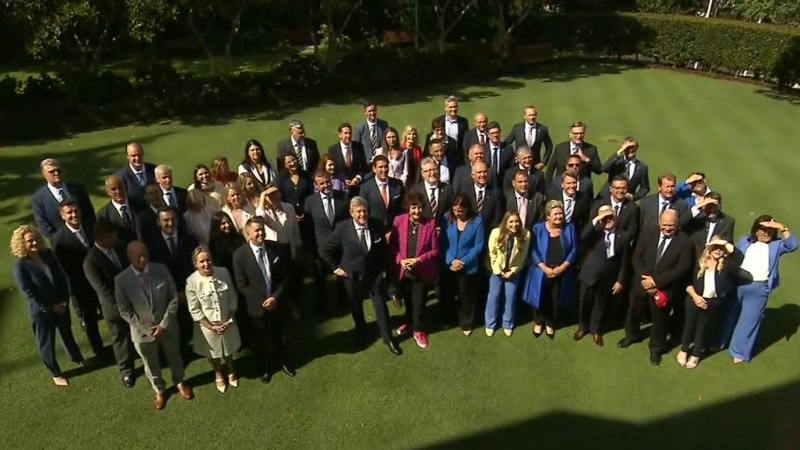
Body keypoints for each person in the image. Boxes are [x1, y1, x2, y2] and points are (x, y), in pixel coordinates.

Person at [115, 241, 193, 410]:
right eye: (138, 257)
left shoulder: (161, 269)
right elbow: (124, 310)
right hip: (142, 333)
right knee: (150, 364)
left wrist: (163, 325)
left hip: (168, 326)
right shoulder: (121, 280)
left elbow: (173, 298)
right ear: (129, 258)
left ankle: (180, 382)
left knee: (175, 357)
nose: (143, 259)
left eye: (144, 254)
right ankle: (159, 389)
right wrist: (146, 329)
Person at [320, 197, 403, 355]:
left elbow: (384, 250)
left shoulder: (376, 224)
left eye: (364, 211)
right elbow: (324, 249)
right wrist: (335, 268)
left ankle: (388, 338)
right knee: (356, 307)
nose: (362, 214)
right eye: (358, 211)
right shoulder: (342, 228)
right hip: (352, 276)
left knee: (380, 306)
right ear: (352, 213)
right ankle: (361, 333)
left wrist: (385, 270)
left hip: (374, 274)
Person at [11, 225, 84, 386]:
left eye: (36, 239)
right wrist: (50, 307)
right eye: (30, 241)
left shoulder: (48, 255)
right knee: (46, 342)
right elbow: (28, 293)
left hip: (61, 303)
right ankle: (55, 373)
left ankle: (76, 357)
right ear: (21, 243)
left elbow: (61, 276)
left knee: (67, 333)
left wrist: (65, 299)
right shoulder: (20, 266)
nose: (35, 243)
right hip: (41, 311)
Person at [618, 209, 694, 366]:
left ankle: (656, 348)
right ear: (659, 222)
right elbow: (636, 257)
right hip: (641, 284)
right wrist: (646, 280)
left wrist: (656, 282)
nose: (667, 228)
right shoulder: (647, 233)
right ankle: (632, 335)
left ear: (677, 224)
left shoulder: (685, 242)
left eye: (671, 225)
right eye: (665, 224)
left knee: (660, 320)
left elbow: (682, 268)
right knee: (634, 312)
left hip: (664, 290)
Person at [232, 217, 296, 382]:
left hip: (277, 303)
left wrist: (275, 297)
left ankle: (284, 361)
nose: (261, 233)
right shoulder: (239, 255)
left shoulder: (275, 248)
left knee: (279, 334)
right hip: (257, 307)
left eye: (262, 229)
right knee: (261, 339)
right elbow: (241, 284)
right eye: (257, 230)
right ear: (248, 234)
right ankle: (266, 367)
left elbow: (285, 276)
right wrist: (262, 300)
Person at [727, 216, 796, 363]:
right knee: (729, 314)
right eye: (763, 229)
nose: (767, 233)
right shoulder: (744, 241)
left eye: (770, 230)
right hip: (738, 284)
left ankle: (738, 352)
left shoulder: (777, 245)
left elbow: (793, 245)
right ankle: (720, 341)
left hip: (758, 289)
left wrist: (781, 227)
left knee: (748, 321)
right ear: (756, 230)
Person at [83, 219, 136, 388]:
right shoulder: (90, 262)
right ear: (102, 238)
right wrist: (123, 304)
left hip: (135, 300)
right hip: (115, 308)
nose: (116, 238)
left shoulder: (119, 247)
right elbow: (104, 290)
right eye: (113, 236)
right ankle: (126, 370)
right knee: (120, 338)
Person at [51, 200, 105, 356]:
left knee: (110, 313)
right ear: (62, 216)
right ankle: (99, 351)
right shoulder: (58, 239)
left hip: (101, 280)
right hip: (81, 286)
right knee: (90, 321)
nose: (73, 215)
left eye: (76, 211)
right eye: (69, 213)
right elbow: (67, 268)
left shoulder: (91, 228)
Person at [186, 246, 241, 393]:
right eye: (202, 261)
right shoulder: (191, 281)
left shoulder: (223, 272)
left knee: (228, 349)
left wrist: (230, 317)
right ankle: (218, 372)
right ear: (195, 264)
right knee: (213, 353)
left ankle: (231, 370)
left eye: (208, 259)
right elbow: (194, 309)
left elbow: (232, 296)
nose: (206, 264)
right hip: (207, 326)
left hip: (227, 321)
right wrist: (210, 326)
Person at [679, 237, 740, 369]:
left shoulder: (727, 265)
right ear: (709, 249)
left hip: (712, 303)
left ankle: (696, 354)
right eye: (715, 247)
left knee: (702, 329)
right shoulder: (699, 262)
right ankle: (684, 350)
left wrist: (723, 293)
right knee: (689, 326)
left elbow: (738, 266)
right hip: (694, 300)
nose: (718, 250)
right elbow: (687, 282)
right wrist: (695, 297)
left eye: (721, 248)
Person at [520, 200, 577, 339]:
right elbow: (532, 250)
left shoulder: (569, 228)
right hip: (541, 271)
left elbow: (574, 250)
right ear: (548, 216)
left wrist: (562, 267)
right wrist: (544, 268)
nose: (559, 217)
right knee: (539, 297)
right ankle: (538, 322)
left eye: (560, 214)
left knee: (554, 299)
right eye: (555, 214)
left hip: (560, 272)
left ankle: (550, 323)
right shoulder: (537, 228)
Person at [575, 206, 631, 347]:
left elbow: (625, 261)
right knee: (584, 303)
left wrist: (620, 280)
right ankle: (582, 327)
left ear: (615, 218)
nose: (608, 220)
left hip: (607, 279)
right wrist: (596, 220)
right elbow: (582, 237)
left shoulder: (623, 237)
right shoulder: (594, 233)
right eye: (604, 218)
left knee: (600, 305)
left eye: (610, 217)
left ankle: (596, 330)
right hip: (589, 275)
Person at [390, 192, 439, 349]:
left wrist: (419, 260)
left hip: (421, 270)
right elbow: (392, 246)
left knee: (418, 303)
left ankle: (418, 330)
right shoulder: (398, 221)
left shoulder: (430, 224)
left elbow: (435, 250)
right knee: (408, 301)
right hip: (404, 270)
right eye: (413, 208)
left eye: (419, 208)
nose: (417, 211)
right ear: (407, 208)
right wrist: (401, 260)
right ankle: (409, 322)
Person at [440, 194, 485, 336]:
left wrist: (463, 262)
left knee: (466, 296)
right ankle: (448, 319)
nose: (456, 213)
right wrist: (451, 260)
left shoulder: (477, 221)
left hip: (468, 266)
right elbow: (443, 242)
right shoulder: (447, 218)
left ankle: (466, 322)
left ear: (467, 209)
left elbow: (478, 245)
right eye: (455, 210)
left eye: (460, 211)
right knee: (449, 293)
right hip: (450, 264)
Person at [485, 211, 530, 337]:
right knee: (494, 295)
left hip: (513, 271)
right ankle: (490, 323)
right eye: (511, 221)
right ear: (505, 223)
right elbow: (492, 253)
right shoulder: (496, 233)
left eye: (516, 221)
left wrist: (513, 271)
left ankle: (507, 323)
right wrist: (498, 271)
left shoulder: (526, 234)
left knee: (510, 296)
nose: (514, 224)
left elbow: (523, 255)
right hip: (497, 270)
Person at [31, 158, 95, 238]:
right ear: (44, 174)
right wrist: (60, 240)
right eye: (52, 171)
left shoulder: (78, 189)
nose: (56, 173)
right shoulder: (38, 199)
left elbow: (89, 213)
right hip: (62, 244)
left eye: (59, 170)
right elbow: (43, 225)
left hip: (87, 237)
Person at [360, 155, 406, 237]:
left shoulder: (398, 185)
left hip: (395, 232)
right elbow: (364, 212)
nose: (384, 170)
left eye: (386, 167)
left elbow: (403, 209)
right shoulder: (365, 188)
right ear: (374, 169)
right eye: (380, 167)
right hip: (375, 233)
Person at [96, 175, 142, 246]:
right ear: (108, 192)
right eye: (114, 189)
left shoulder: (140, 204)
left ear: (125, 187)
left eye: (120, 187)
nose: (118, 191)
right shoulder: (103, 216)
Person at [686, 192, 735, 256]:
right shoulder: (696, 219)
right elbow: (680, 224)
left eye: (714, 206)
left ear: (720, 206)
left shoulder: (728, 221)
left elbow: (729, 244)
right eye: (708, 205)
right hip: (694, 259)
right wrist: (697, 207)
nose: (711, 209)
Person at [326, 122, 369, 193]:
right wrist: (342, 179)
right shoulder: (332, 150)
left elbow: (364, 167)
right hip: (340, 188)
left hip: (357, 188)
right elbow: (331, 170)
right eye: (345, 133)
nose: (348, 135)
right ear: (340, 135)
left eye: (350, 133)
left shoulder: (358, 147)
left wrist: (358, 178)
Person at [462, 161, 503, 230]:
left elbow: (497, 219)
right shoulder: (465, 193)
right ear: (472, 175)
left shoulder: (495, 194)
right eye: (479, 172)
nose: (483, 175)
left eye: (485, 172)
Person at [413, 157, 454, 223]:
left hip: (443, 230)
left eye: (434, 169)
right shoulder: (416, 191)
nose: (432, 173)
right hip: (424, 229)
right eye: (428, 170)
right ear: (422, 174)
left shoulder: (447, 189)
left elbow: (451, 210)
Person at [430, 95, 468, 166]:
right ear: (446, 108)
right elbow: (432, 139)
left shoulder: (463, 122)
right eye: (450, 107)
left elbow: (464, 142)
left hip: (456, 158)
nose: (453, 109)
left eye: (455, 107)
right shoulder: (438, 121)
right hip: (440, 156)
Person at [276, 152, 313, 220]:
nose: (292, 163)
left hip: (307, 215)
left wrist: (305, 211)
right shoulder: (281, 178)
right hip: (289, 216)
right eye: (289, 162)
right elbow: (281, 198)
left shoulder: (306, 175)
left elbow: (311, 194)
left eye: (293, 160)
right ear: (284, 165)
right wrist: (292, 214)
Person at [208, 211, 245, 276]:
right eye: (223, 223)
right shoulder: (214, 243)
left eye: (228, 222)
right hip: (227, 274)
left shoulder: (238, 238)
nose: (227, 225)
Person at [484, 122, 515, 188]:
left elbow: (512, 168)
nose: (495, 135)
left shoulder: (508, 149)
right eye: (492, 133)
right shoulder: (483, 149)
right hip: (487, 185)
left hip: (503, 185)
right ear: (488, 135)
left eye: (497, 132)